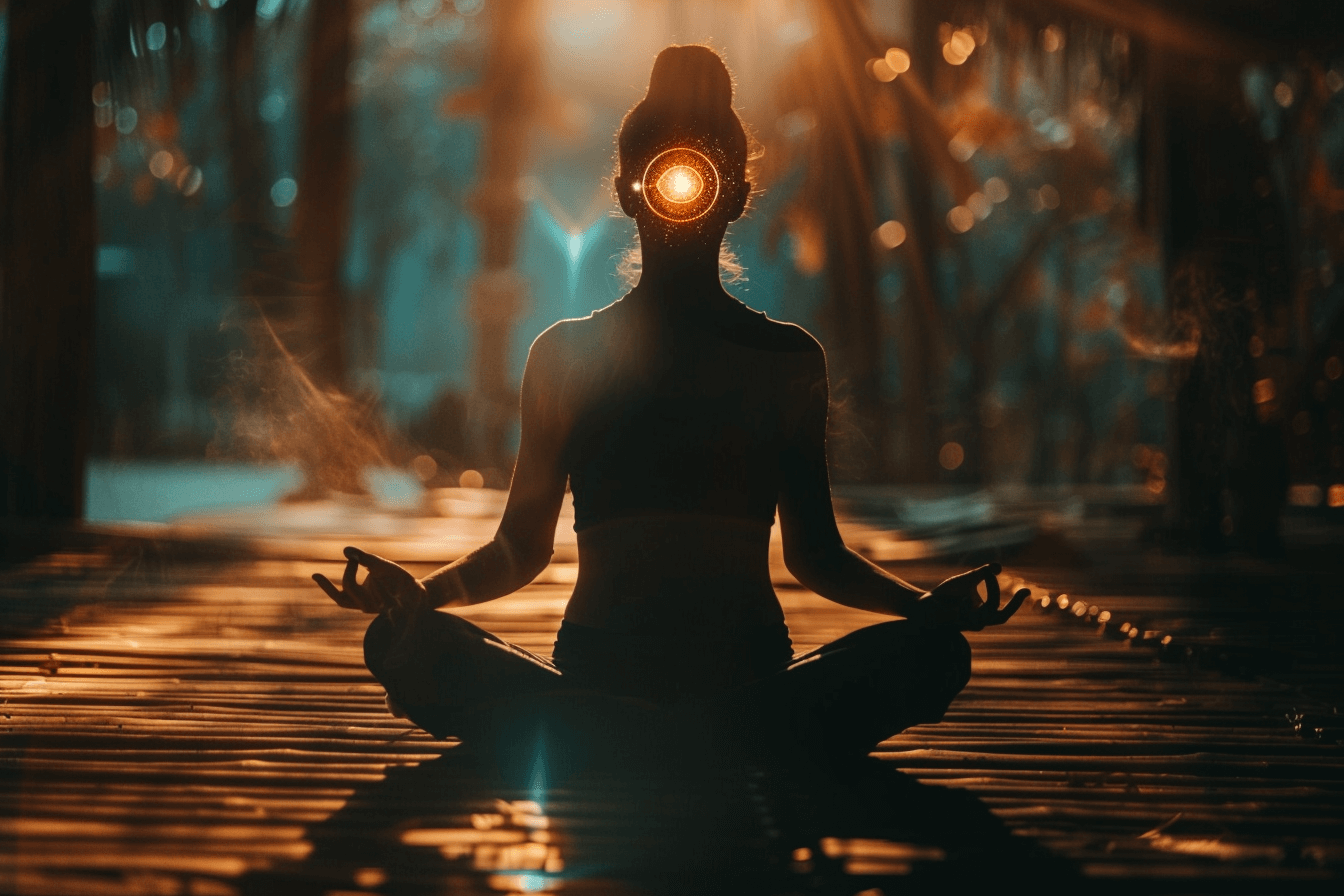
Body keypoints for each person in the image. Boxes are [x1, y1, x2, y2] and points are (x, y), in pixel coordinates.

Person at [314, 45, 1028, 766]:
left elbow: (819, 556)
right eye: (663, 173)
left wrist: (925, 610)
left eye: (703, 175)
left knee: (936, 653)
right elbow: (517, 549)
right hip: (616, 674)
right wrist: (418, 599)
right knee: (398, 640)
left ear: (736, 197)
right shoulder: (565, 356)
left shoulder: (787, 360)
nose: (681, 193)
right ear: (628, 192)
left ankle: (607, 735)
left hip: (739, 679)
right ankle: (695, 738)